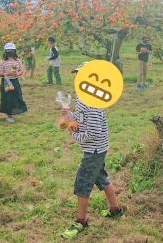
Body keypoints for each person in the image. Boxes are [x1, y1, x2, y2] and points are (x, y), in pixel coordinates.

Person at [60, 62, 123, 238]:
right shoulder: (83, 100)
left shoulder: (92, 104)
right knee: (102, 178)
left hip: (94, 150)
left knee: (82, 184)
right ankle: (115, 209)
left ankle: (81, 221)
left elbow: (93, 131)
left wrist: (74, 134)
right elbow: (81, 122)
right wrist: (69, 115)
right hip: (96, 149)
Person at [0, 43, 27, 123]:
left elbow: (21, 70)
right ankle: (9, 115)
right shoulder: (2, 62)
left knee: (17, 97)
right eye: (8, 50)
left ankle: (15, 110)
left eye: (11, 50)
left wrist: (18, 74)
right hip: (6, 82)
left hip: (15, 81)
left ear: (14, 51)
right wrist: (7, 74)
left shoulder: (17, 61)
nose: (10, 52)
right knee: (8, 99)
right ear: (5, 52)